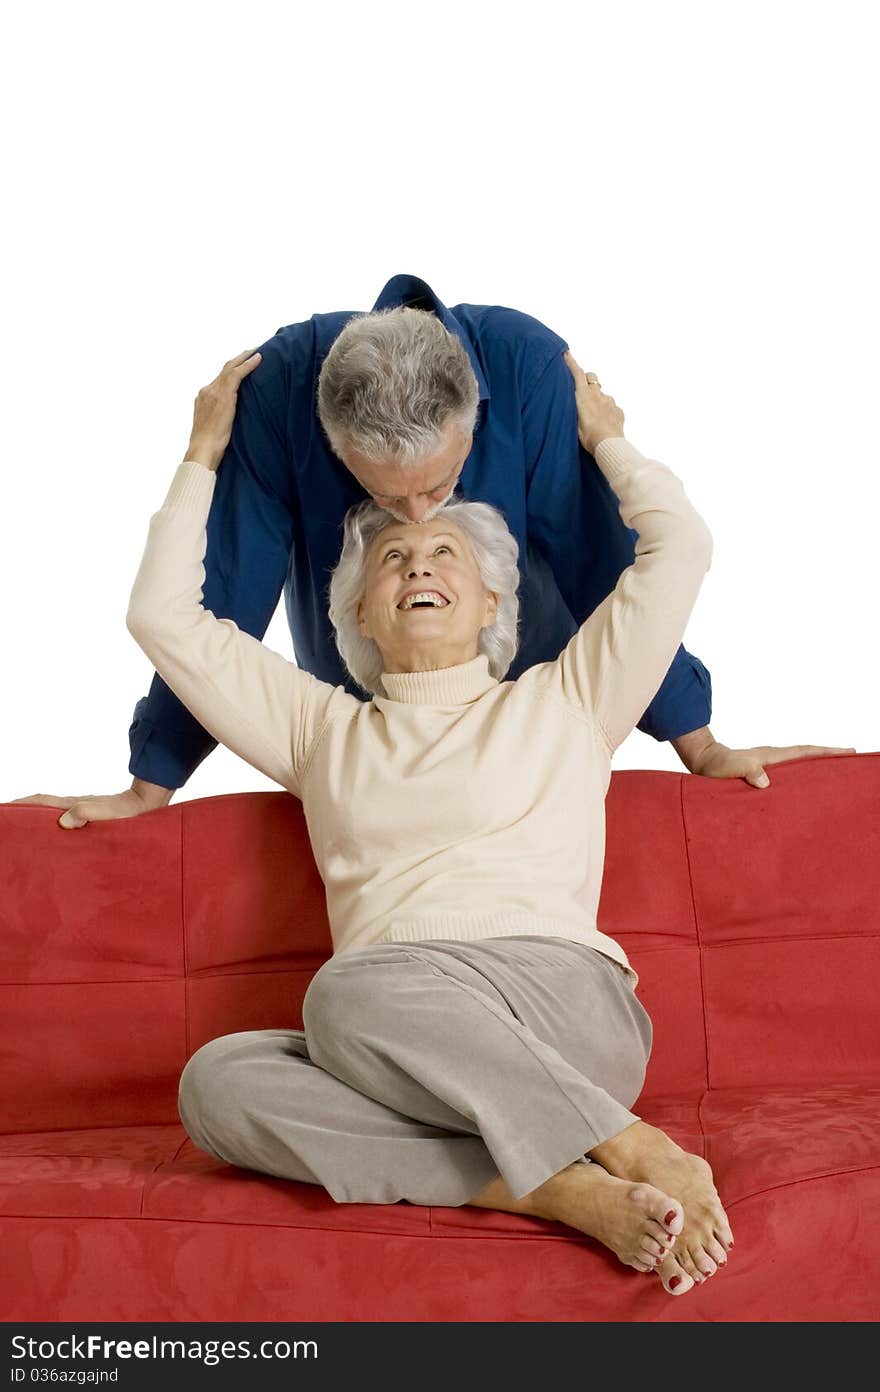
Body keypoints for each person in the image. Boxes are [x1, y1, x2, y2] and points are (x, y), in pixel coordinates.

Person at [123, 344, 731, 1298]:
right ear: (356, 613)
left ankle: (631, 1140)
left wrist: (607, 439)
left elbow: (679, 549)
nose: (418, 562)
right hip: (394, 1038)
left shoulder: (570, 697)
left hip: (557, 1006)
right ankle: (555, 1187)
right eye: (392, 557)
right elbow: (164, 617)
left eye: (446, 550)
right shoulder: (321, 729)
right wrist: (202, 449)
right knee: (217, 1084)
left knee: (343, 997)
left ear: (495, 597)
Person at [10, 274, 853, 830]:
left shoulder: (521, 365)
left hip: (533, 704)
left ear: (472, 421)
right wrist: (151, 779)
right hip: (372, 721)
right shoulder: (279, 391)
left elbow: (610, 558)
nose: (413, 522)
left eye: (442, 486)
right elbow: (222, 594)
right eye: (382, 495)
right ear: (334, 444)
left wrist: (698, 742)